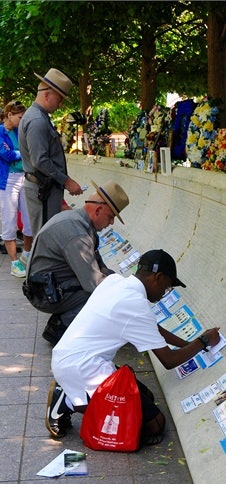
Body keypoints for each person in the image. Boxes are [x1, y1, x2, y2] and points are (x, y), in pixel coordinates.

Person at [46, 249, 221, 445]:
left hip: (70, 358)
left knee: (146, 396)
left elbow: (152, 328)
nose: (165, 292)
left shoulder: (115, 281)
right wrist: (204, 342)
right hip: (83, 369)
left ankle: (73, 392)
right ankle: (70, 401)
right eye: (168, 286)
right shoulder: (136, 303)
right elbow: (169, 361)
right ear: (158, 277)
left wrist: (188, 344)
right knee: (155, 425)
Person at [22, 180, 129, 345]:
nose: (111, 223)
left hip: (51, 285)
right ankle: (61, 326)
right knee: (101, 293)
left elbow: (101, 268)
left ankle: (65, 318)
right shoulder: (76, 233)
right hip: (44, 294)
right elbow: (94, 283)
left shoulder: (79, 222)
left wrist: (123, 285)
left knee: (110, 285)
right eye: (111, 217)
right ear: (98, 210)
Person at [18, 68, 83, 237]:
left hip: (44, 189)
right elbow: (40, 160)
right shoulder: (37, 120)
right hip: (43, 190)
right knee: (45, 240)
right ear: (47, 94)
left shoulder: (37, 116)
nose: (60, 105)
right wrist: (67, 181)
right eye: (60, 99)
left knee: (46, 237)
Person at [0, 101, 33, 277]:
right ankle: (14, 263)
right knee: (9, 221)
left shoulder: (20, 131)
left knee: (29, 220)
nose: (22, 120)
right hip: (7, 182)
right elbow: (7, 155)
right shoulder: (0, 132)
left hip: (24, 178)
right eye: (20, 117)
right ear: (10, 115)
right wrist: (24, 153)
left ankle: (26, 255)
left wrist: (20, 153)